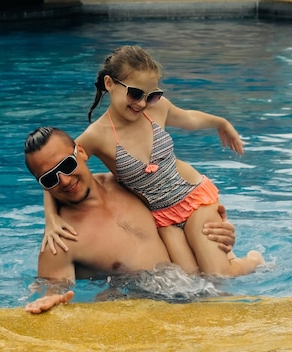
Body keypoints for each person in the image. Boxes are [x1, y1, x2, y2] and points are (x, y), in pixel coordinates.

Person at [42, 45, 263, 276]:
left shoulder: (156, 110)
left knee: (218, 275)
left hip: (194, 197)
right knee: (190, 282)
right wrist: (51, 219)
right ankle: (227, 257)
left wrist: (222, 123)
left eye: (152, 95)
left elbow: (190, 118)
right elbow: (56, 173)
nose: (142, 103)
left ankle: (254, 260)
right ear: (110, 84)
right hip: (161, 217)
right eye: (135, 93)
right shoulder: (96, 136)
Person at [23, 127, 242, 314]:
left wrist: (223, 241)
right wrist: (50, 299)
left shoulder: (131, 184)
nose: (64, 180)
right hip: (151, 311)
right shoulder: (61, 240)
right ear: (41, 184)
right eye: (49, 178)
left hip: (199, 289)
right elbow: (52, 291)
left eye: (67, 165)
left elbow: (181, 213)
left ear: (81, 151)